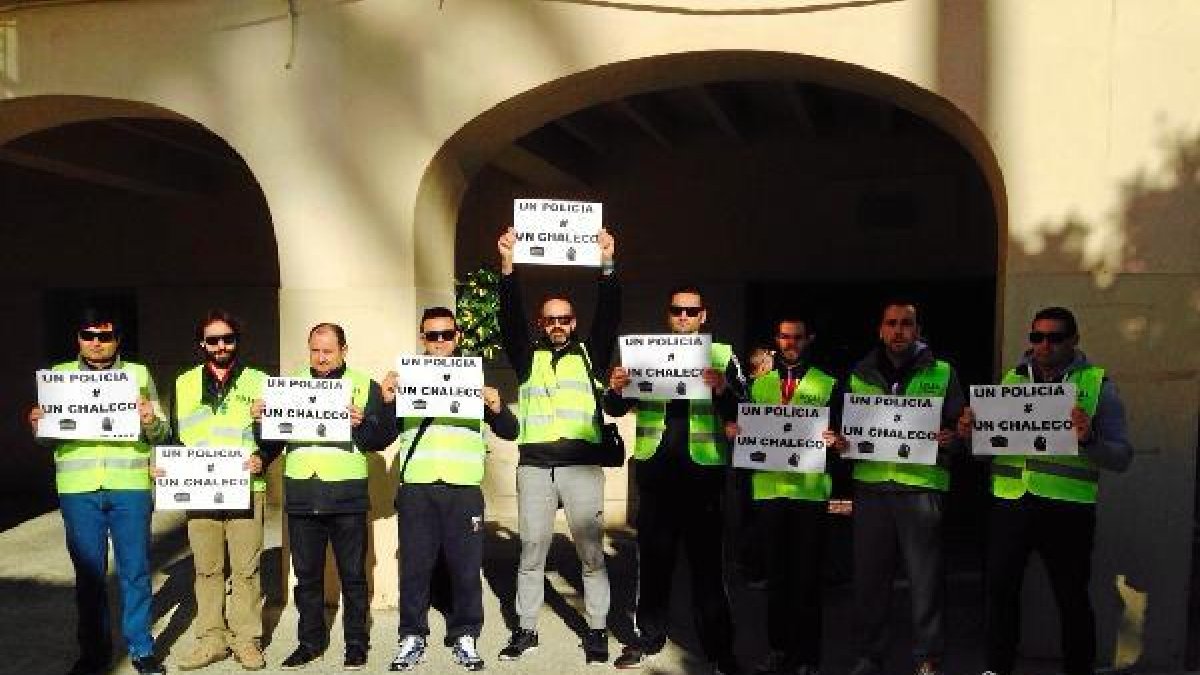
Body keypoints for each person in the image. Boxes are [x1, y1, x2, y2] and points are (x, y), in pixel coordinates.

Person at [957, 307, 1131, 675]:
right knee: (1001, 593)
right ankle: (997, 669)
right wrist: (970, 434)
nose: (1044, 345)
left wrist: (1090, 438)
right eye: (1037, 337)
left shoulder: (1098, 384)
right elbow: (986, 450)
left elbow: (1121, 457)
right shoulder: (1011, 380)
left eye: (1054, 338)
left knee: (1071, 599)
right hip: (1010, 503)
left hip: (1067, 509)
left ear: (1074, 340)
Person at [494, 226, 620, 665]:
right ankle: (525, 629)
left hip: (581, 468)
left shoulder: (592, 354)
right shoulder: (527, 355)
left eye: (564, 318)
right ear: (542, 322)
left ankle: (598, 629)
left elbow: (610, 313)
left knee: (590, 553)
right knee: (531, 552)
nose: (557, 325)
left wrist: (607, 263)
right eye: (549, 319)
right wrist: (509, 266)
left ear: (574, 322)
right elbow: (508, 317)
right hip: (535, 468)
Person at [605, 286, 746, 674]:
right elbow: (616, 406)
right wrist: (615, 388)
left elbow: (745, 409)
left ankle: (720, 652)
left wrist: (721, 388)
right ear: (669, 315)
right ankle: (648, 639)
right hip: (656, 476)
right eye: (676, 310)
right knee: (652, 566)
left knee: (708, 573)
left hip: (703, 478)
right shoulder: (644, 354)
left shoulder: (722, 354)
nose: (683, 316)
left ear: (704, 315)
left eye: (691, 310)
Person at [28, 308, 170, 675]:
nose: (96, 342)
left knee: (135, 572)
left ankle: (141, 649)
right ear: (78, 338)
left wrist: (151, 419)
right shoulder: (58, 378)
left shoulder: (137, 375)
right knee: (89, 577)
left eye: (104, 336)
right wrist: (38, 425)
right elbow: (47, 438)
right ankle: (94, 654)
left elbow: (161, 433)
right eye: (89, 335)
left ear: (117, 340)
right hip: (79, 491)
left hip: (130, 488)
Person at [385, 307, 519, 672]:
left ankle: (465, 635)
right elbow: (381, 436)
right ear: (422, 338)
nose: (440, 342)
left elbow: (510, 431)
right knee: (414, 568)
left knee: (465, 568)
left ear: (458, 337)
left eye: (446, 335)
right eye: (432, 336)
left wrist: (496, 405)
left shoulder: (475, 379)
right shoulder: (407, 379)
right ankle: (412, 635)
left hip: (463, 488)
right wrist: (385, 400)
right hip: (418, 486)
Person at [844, 301, 965, 675]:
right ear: (880, 330)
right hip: (872, 488)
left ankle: (927, 657)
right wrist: (838, 443)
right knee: (869, 581)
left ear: (918, 330)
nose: (898, 330)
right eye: (892, 323)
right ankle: (870, 655)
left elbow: (962, 429)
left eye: (906, 324)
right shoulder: (859, 373)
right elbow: (843, 430)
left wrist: (953, 438)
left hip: (921, 489)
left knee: (925, 581)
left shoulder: (944, 372)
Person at [272, 323, 398, 671]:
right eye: (315, 350)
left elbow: (383, 438)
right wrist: (260, 420)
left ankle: (356, 644)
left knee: (353, 577)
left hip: (347, 496)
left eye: (329, 350)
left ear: (344, 349)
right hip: (302, 492)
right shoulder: (289, 386)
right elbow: (271, 440)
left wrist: (364, 424)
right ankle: (310, 642)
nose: (321, 357)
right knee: (307, 577)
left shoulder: (364, 385)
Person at [738, 318, 846, 675]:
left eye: (798, 337)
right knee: (777, 581)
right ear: (777, 340)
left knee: (807, 581)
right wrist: (734, 430)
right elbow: (743, 428)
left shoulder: (828, 382)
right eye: (785, 336)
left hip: (810, 495)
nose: (791, 342)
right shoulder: (759, 384)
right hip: (769, 493)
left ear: (808, 339)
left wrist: (838, 441)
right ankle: (779, 650)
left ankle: (809, 658)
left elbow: (845, 437)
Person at [169, 310, 273, 671]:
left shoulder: (260, 381)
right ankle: (211, 639)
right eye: (213, 340)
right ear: (202, 344)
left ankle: (246, 640)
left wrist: (264, 456)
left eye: (227, 338)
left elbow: (276, 434)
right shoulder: (183, 383)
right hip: (199, 489)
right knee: (207, 569)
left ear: (236, 342)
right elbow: (174, 439)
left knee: (246, 569)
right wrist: (165, 467)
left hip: (246, 487)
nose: (220, 345)